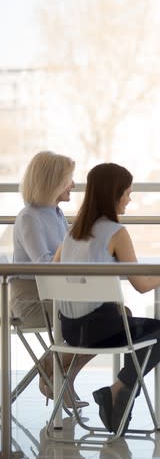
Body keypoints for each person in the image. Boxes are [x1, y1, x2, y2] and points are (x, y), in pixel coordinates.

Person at [54, 163, 160, 433]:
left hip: (72, 329)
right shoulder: (116, 232)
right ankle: (118, 389)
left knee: (127, 319)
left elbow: (54, 271)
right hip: (100, 331)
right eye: (127, 193)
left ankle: (121, 404)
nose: (130, 199)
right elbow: (142, 285)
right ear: (115, 195)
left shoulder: (72, 232)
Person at [11, 151, 91, 408]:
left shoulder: (56, 213)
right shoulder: (29, 217)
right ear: (52, 182)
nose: (74, 185)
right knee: (110, 317)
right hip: (33, 302)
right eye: (69, 179)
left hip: (57, 299)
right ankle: (54, 373)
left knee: (115, 315)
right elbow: (45, 264)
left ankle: (60, 376)